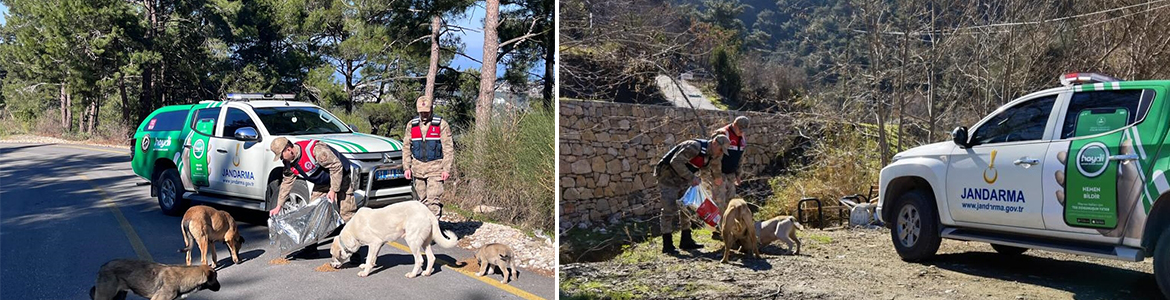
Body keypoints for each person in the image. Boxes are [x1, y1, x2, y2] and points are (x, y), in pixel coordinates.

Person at [269, 137, 356, 258]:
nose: (282, 160)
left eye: (281, 156)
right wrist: (279, 205)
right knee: (312, 215)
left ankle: (354, 253)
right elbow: (287, 182)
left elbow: (336, 166)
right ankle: (311, 249)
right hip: (322, 183)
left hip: (340, 178)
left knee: (347, 214)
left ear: (289, 150)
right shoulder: (289, 163)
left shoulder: (315, 150)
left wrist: (333, 190)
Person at [654, 134, 729, 254]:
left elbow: (708, 170)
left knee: (687, 207)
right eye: (721, 150)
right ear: (715, 143)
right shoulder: (694, 147)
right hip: (667, 176)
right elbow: (676, 162)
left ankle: (686, 240)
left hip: (683, 179)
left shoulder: (712, 155)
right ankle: (667, 245)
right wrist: (691, 177)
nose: (721, 153)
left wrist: (709, 188)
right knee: (669, 208)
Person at [403, 95, 453, 217]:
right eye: (422, 112)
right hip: (417, 169)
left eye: (426, 112)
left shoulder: (441, 124)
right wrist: (406, 167)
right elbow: (406, 147)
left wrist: (446, 169)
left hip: (435, 168)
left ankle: (434, 229)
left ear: (431, 110)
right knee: (421, 202)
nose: (424, 115)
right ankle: (424, 230)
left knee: (433, 201)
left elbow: (448, 148)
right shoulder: (412, 125)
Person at [711, 116, 749, 240]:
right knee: (719, 202)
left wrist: (738, 174)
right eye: (740, 128)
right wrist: (716, 176)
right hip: (719, 173)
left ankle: (729, 228)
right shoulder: (722, 134)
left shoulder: (742, 137)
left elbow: (740, 158)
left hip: (731, 174)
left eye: (743, 129)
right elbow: (714, 156)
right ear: (734, 124)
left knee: (731, 202)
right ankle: (719, 230)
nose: (741, 131)